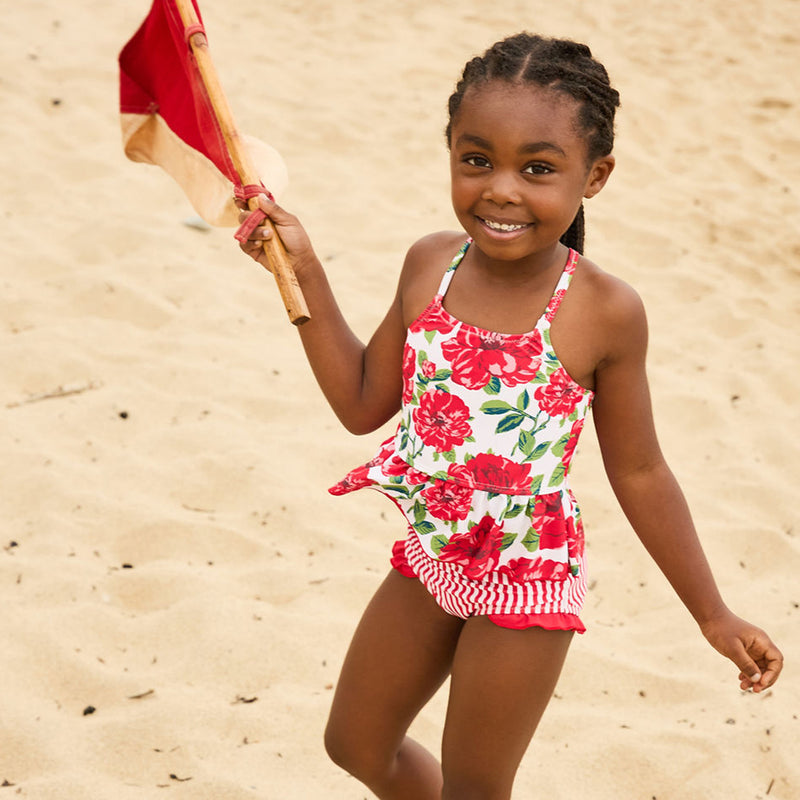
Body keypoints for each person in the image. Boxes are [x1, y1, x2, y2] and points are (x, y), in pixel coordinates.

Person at [237, 32, 783, 800]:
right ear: (451, 153)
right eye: (476, 159)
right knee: (355, 744)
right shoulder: (431, 262)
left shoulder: (604, 311)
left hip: (528, 572)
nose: (501, 189)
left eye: (537, 168)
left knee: (476, 785)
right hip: (436, 547)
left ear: (595, 176)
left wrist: (713, 612)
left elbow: (640, 468)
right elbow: (363, 405)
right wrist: (302, 273)